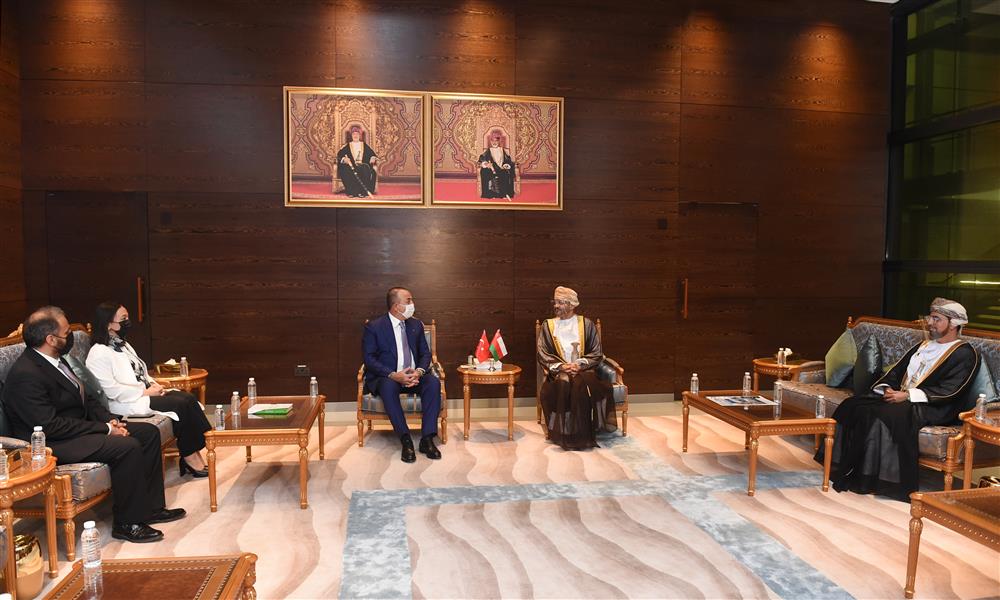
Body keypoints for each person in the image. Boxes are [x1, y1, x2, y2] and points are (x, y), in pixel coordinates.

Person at [1, 307, 185, 543]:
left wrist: (110, 420)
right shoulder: (26, 374)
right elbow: (50, 425)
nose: (70, 337)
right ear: (50, 339)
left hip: (76, 430)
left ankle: (150, 508)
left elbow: (86, 399)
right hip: (50, 444)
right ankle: (128, 523)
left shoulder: (56, 360)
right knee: (126, 446)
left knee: (148, 432)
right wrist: (106, 430)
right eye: (66, 333)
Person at [820, 298, 980, 501]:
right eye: (930, 317)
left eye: (936, 319)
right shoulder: (923, 345)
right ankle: (844, 467)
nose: (930, 323)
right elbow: (896, 371)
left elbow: (951, 390)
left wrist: (908, 395)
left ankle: (878, 479)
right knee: (853, 405)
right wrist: (887, 388)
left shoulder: (965, 353)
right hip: (903, 398)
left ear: (954, 324)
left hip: (935, 405)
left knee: (883, 414)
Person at [86, 301, 212, 478]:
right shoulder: (98, 352)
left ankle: (196, 449)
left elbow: (141, 373)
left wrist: (155, 386)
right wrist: (145, 392)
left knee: (187, 398)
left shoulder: (124, 345)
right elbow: (111, 390)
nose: (128, 322)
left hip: (145, 393)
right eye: (123, 318)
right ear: (108, 324)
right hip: (125, 402)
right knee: (180, 404)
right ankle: (190, 456)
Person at [362, 287, 442, 463]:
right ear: (397, 306)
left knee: (433, 382)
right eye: (409, 301)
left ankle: (427, 439)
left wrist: (419, 371)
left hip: (415, 376)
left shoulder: (416, 325)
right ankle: (405, 439)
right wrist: (393, 374)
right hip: (388, 377)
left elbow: (425, 354)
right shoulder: (374, 327)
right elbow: (369, 359)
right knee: (387, 386)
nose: (413, 304)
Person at [537, 286, 616, 450]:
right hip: (559, 372)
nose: (556, 306)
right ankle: (564, 432)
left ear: (572, 305)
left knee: (580, 384)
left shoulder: (587, 324)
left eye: (560, 302)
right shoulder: (548, 326)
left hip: (584, 370)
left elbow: (596, 352)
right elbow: (542, 353)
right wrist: (562, 366)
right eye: (555, 302)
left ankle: (581, 433)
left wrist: (579, 364)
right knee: (564, 382)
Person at [336, 126, 378, 198]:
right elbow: (339, 155)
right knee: (345, 169)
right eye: (354, 134)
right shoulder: (347, 145)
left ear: (359, 135)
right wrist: (344, 159)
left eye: (357, 134)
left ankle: (363, 192)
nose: (355, 136)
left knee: (365, 169)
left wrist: (372, 158)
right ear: (351, 136)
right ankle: (352, 192)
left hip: (362, 165)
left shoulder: (363, 145)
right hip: (351, 166)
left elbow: (372, 154)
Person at [478, 131, 515, 199]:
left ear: (499, 141)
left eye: (496, 141)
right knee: (486, 172)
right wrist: (486, 164)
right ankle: (491, 194)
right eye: (492, 141)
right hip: (492, 169)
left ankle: (504, 194)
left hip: (501, 169)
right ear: (490, 142)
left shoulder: (503, 150)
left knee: (506, 173)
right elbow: (481, 160)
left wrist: (506, 165)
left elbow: (508, 161)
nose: (494, 142)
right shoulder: (488, 151)